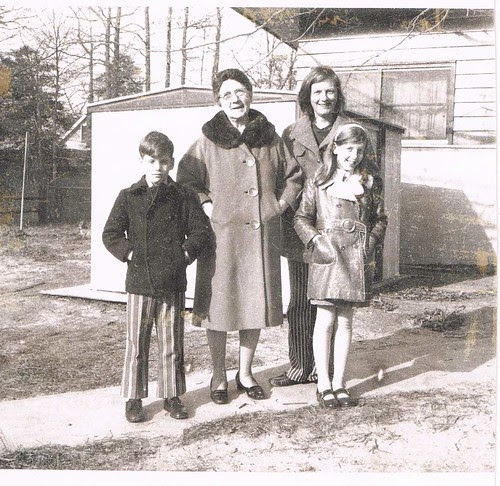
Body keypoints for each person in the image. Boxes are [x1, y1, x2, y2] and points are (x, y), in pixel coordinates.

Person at [177, 68, 302, 404]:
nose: (235, 99)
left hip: (260, 237)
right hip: (220, 237)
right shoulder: (207, 140)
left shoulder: (271, 139)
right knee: (217, 306)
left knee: (253, 304)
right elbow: (187, 179)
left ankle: (245, 373)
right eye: (227, 94)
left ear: (251, 94)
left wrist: (278, 206)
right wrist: (205, 205)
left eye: (240, 92)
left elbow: (293, 177)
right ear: (219, 101)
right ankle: (218, 375)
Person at [102, 131, 213, 422]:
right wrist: (129, 254)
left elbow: (201, 232)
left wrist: (185, 256)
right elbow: (111, 234)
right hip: (139, 281)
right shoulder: (128, 196)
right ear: (142, 161)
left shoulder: (183, 196)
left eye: (164, 161)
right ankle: (133, 399)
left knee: (172, 343)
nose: (157, 167)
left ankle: (172, 396)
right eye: (151, 160)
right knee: (137, 344)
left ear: (172, 163)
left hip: (172, 281)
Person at [293, 123, 387, 408]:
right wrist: (317, 243)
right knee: (324, 321)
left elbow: (382, 219)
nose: (353, 156)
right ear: (334, 148)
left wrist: (368, 244)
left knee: (345, 321)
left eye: (359, 150)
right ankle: (323, 384)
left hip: (355, 258)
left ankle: (340, 383)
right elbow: (301, 218)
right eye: (348, 149)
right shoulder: (319, 180)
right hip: (327, 256)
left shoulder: (370, 182)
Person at [270, 65, 346, 387]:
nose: (324, 98)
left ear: (337, 96)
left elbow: (369, 179)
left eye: (329, 91)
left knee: (330, 304)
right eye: (317, 92)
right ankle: (300, 367)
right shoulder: (291, 134)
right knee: (300, 300)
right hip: (300, 231)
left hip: (337, 231)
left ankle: (324, 372)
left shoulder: (349, 131)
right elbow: (282, 177)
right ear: (308, 96)